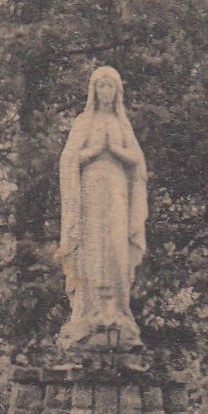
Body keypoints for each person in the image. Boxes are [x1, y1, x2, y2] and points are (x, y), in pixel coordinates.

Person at [57, 65, 148, 350]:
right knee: (93, 249)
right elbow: (68, 160)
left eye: (110, 87)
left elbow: (138, 161)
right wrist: (94, 152)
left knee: (116, 250)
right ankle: (89, 314)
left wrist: (118, 151)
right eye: (101, 86)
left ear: (117, 91)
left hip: (117, 193)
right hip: (91, 194)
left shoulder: (122, 125)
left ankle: (117, 313)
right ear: (93, 91)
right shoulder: (85, 122)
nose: (105, 92)